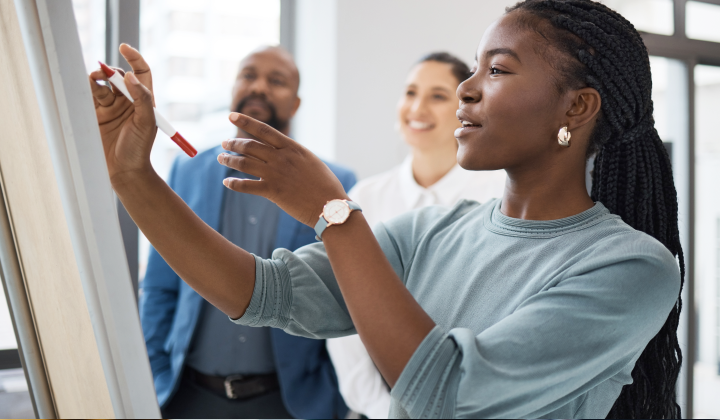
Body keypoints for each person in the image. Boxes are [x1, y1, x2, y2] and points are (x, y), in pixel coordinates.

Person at [89, 0, 685, 417]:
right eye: (473, 67)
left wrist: (333, 211)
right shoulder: (433, 231)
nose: (466, 89)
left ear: (577, 109)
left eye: (497, 69)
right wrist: (130, 172)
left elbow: (447, 397)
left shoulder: (630, 267)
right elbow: (264, 293)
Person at [136, 46, 353, 419]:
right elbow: (159, 286)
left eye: (277, 80)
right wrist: (154, 375)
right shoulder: (187, 172)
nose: (260, 87)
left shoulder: (335, 184)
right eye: (248, 75)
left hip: (291, 403)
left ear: (296, 103)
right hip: (188, 398)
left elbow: (348, 296)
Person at [325, 52, 506, 418]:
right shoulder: (365, 197)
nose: (417, 107)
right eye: (410, 92)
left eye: (438, 96)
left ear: (466, 107)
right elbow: (343, 314)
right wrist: (380, 409)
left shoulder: (501, 195)